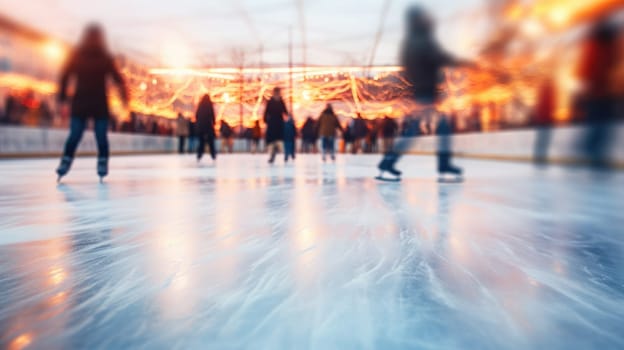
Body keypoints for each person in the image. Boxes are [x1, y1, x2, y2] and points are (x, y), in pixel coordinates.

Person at [377, 6, 470, 179]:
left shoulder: (415, 40)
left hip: (423, 90)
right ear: (418, 19)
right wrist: (464, 63)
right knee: (435, 127)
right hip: (425, 91)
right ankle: (442, 166)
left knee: (421, 128)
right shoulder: (420, 40)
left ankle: (389, 162)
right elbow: (438, 57)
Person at [55, 24, 128, 182]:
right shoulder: (104, 57)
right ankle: (102, 163)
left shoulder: (78, 54)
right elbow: (118, 80)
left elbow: (65, 76)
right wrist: (124, 98)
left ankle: (66, 162)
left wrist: (62, 96)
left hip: (81, 102)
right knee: (100, 136)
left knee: (75, 135)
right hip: (98, 103)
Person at [576, 18, 619, 169]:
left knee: (601, 127)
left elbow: (586, 70)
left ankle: (593, 154)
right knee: (598, 126)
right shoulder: (595, 46)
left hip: (604, 93)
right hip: (598, 93)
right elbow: (587, 69)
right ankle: (591, 154)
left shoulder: (607, 46)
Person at [263, 87, 289, 164]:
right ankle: (272, 156)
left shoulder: (281, 101)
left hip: (279, 123)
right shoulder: (270, 101)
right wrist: (265, 119)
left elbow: (285, 111)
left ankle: (283, 154)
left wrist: (287, 117)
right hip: (272, 123)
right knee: (272, 142)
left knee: (279, 141)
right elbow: (266, 112)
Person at [195, 94, 217, 162]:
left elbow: (197, 115)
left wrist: (199, 123)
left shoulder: (200, 105)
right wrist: (213, 123)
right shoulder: (210, 105)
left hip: (201, 127)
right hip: (208, 127)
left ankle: (199, 155)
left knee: (201, 142)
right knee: (211, 143)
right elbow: (212, 116)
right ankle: (213, 155)